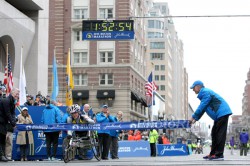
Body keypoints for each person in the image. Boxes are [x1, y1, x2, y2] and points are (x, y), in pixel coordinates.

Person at [189, 80, 232, 160]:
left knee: (219, 134)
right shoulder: (204, 94)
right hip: (219, 115)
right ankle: (213, 153)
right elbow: (203, 109)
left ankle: (219, 155)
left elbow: (202, 106)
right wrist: (195, 119)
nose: (193, 90)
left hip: (222, 113)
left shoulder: (205, 92)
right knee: (214, 133)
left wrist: (193, 117)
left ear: (198, 87)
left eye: (193, 88)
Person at [0, 88, 19, 162]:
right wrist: (13, 124)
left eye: (18, 94)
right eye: (16, 94)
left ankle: (2, 155)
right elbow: (8, 113)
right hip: (0, 122)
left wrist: (14, 120)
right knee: (1, 139)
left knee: (2, 139)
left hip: (4, 123)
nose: (17, 95)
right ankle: (1, 155)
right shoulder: (6, 101)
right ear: (12, 93)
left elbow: (13, 113)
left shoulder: (12, 102)